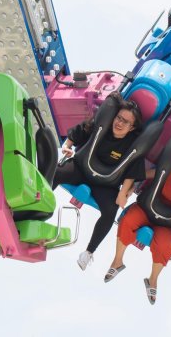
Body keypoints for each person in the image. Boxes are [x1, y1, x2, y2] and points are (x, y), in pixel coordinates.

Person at [53, 93, 146, 271]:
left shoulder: (132, 144)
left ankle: (88, 252)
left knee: (110, 212)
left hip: (106, 184)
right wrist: (67, 146)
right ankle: (36, 208)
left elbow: (133, 172)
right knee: (56, 172)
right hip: (82, 169)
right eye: (119, 117)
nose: (119, 123)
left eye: (125, 122)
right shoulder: (101, 126)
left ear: (132, 127)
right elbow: (78, 133)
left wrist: (123, 193)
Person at [104, 158, 171, 305]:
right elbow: (144, 175)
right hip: (147, 209)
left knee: (163, 246)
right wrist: (131, 187)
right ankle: (117, 261)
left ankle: (152, 279)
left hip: (168, 224)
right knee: (128, 221)